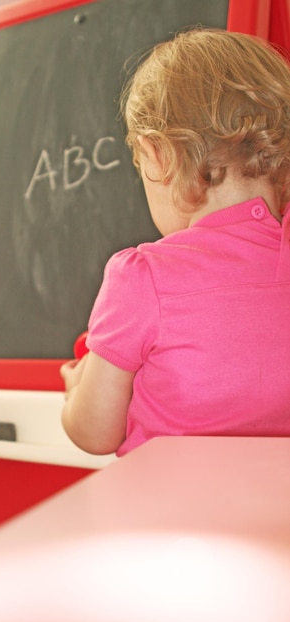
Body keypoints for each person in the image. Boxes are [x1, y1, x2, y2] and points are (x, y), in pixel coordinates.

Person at [60, 27, 290, 456]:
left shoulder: (141, 277)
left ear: (160, 156)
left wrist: (77, 392)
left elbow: (94, 434)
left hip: (166, 520)